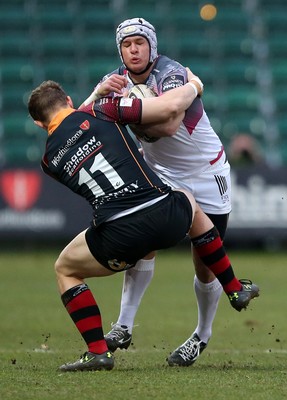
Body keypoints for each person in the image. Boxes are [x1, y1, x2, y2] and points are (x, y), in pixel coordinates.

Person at [28, 79, 259, 372]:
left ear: (38, 123)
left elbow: (71, 129)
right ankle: (234, 287)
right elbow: (161, 109)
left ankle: (98, 351)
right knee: (189, 201)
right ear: (69, 100)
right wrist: (193, 86)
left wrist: (92, 99)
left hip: (117, 236)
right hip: (164, 216)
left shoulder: (48, 161)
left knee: (64, 269)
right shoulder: (103, 110)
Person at [84, 17, 244, 367]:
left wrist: (122, 111)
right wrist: (98, 96)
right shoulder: (114, 82)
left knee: (205, 265)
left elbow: (170, 125)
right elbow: (80, 121)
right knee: (144, 242)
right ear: (120, 50)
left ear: (152, 46)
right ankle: (123, 325)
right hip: (161, 174)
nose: (133, 50)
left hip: (206, 173)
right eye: (126, 45)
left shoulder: (171, 74)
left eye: (140, 42)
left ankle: (202, 334)